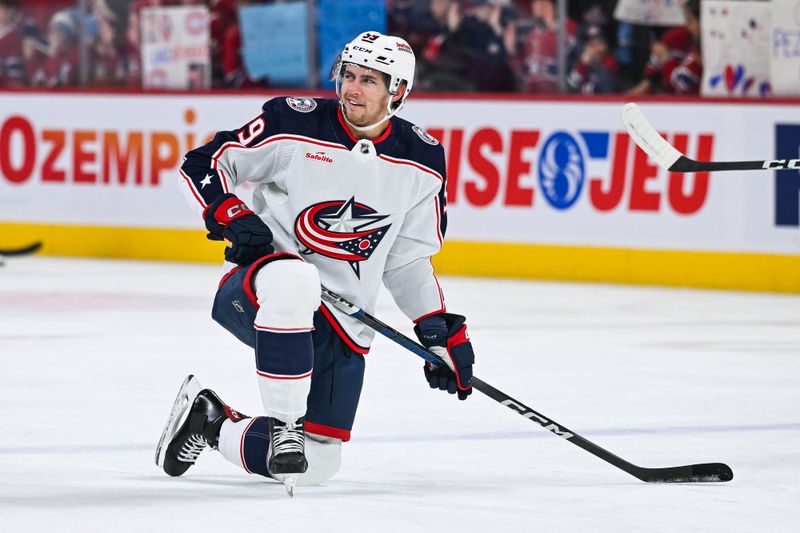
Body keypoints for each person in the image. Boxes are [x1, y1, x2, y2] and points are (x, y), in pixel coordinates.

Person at [156, 31, 477, 493]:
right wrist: (231, 214)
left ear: (398, 92)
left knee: (318, 463)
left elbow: (406, 260)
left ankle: (209, 422)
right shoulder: (292, 122)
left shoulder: (422, 160)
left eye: (369, 80)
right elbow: (204, 163)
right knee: (294, 278)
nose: (352, 88)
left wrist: (436, 329)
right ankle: (284, 423)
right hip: (264, 290)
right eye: (348, 75)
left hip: (345, 321)